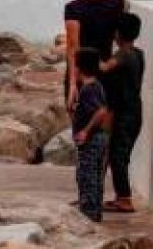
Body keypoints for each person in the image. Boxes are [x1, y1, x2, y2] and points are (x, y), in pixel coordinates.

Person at [64, 0, 127, 112]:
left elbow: (73, 47)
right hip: (105, 71)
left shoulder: (74, 8)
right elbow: (124, 1)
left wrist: (72, 84)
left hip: (83, 74)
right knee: (104, 121)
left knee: (81, 123)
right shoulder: (116, 4)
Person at [100, 12, 145, 213]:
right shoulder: (138, 53)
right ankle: (121, 197)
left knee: (118, 155)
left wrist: (84, 57)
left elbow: (104, 68)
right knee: (120, 154)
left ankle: (125, 199)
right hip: (134, 111)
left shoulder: (123, 55)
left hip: (125, 114)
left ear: (117, 34)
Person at [73, 47, 109, 222]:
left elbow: (101, 111)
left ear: (80, 68)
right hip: (98, 139)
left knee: (87, 177)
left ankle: (89, 214)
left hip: (91, 140)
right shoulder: (97, 86)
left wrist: (85, 131)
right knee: (95, 176)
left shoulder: (89, 89)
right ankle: (95, 212)